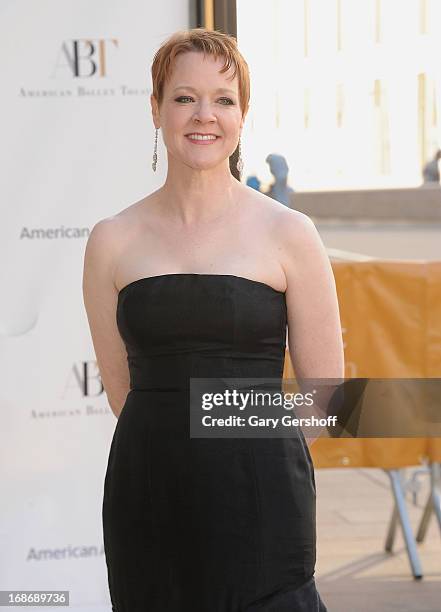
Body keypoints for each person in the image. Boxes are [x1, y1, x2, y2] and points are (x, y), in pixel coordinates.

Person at [82, 27, 344, 612]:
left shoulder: (289, 233)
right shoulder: (111, 240)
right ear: (156, 108)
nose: (205, 115)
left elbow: (326, 396)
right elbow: (122, 390)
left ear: (243, 115)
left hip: (263, 498)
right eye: (184, 97)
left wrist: (243, 445)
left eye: (224, 100)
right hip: (149, 493)